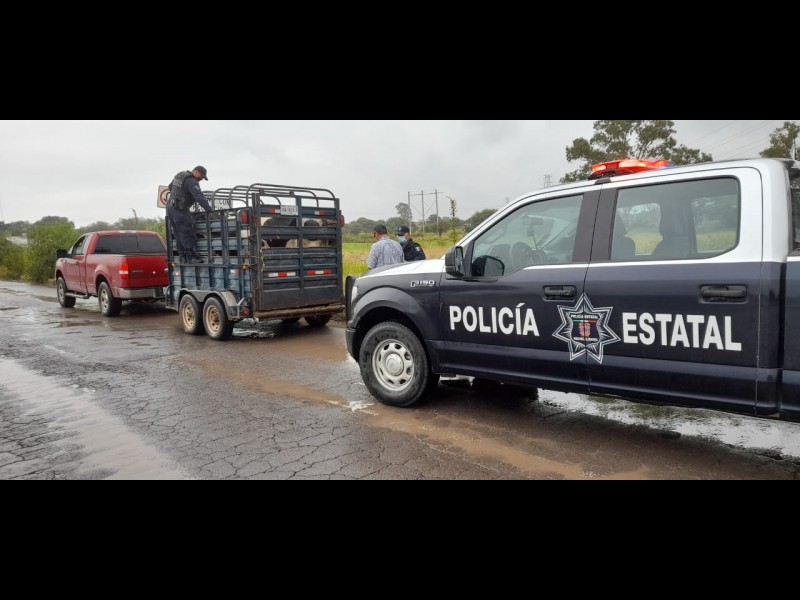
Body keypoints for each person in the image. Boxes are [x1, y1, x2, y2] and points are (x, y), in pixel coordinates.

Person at [167, 166, 213, 263]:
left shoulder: (180, 175)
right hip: (179, 208)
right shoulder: (192, 180)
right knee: (186, 231)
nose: (201, 179)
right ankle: (191, 257)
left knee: (178, 233)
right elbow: (199, 197)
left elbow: (170, 187)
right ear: (196, 172)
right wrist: (209, 210)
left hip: (170, 206)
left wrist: (180, 195)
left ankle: (183, 256)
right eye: (201, 176)